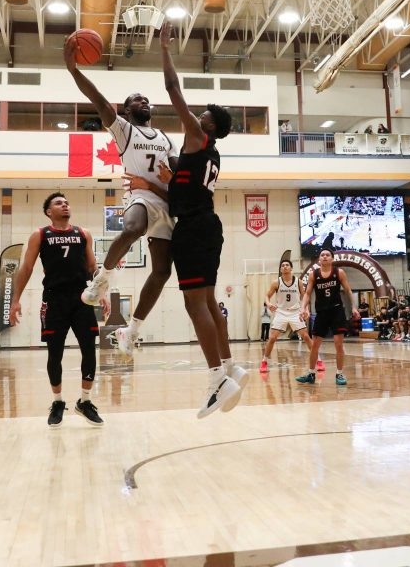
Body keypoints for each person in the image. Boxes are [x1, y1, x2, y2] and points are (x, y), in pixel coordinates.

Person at [144, 27, 247, 416]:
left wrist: (166, 49)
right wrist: (168, 179)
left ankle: (218, 380)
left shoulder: (197, 137)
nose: (193, 116)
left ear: (208, 126)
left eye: (200, 115)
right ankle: (230, 364)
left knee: (194, 304)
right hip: (208, 225)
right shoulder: (212, 155)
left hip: (193, 227)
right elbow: (184, 187)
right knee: (206, 300)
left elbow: (173, 90)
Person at [64, 35, 177, 358]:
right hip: (141, 197)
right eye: (135, 100)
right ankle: (103, 278)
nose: (143, 101)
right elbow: (98, 99)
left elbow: (178, 173)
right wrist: (74, 72)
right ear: (127, 111)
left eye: (145, 99)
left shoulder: (166, 138)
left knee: (162, 272)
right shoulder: (126, 131)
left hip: (166, 202)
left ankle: (133, 330)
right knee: (131, 228)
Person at [8, 192, 106, 427]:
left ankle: (85, 401)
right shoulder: (40, 235)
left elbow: (92, 267)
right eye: (58, 203)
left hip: (82, 298)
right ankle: (58, 401)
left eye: (67, 202)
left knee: (89, 350)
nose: (65, 205)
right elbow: (27, 268)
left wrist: (101, 292)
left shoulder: (83, 234)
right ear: (48, 212)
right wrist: (15, 299)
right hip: (54, 299)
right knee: (55, 353)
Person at [296, 249, 359, 387]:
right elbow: (307, 293)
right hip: (321, 313)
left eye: (327, 255)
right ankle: (311, 373)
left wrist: (354, 307)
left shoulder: (339, 273)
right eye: (322, 255)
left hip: (337, 311)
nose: (324, 257)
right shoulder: (314, 274)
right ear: (319, 260)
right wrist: (303, 308)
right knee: (314, 345)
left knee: (338, 344)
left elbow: (348, 290)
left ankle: (339, 373)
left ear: (332, 259)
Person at [260, 258, 315, 373]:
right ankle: (264, 362)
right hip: (281, 312)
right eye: (283, 265)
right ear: (280, 269)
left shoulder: (298, 281)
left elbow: (304, 297)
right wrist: (269, 304)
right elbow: (267, 296)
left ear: (291, 268)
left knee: (305, 336)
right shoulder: (276, 282)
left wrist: (306, 310)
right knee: (272, 338)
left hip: (295, 312)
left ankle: (318, 361)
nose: (284, 266)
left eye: (287, 265)